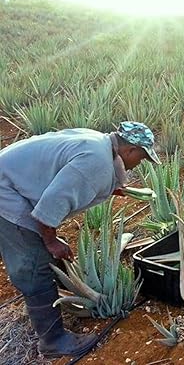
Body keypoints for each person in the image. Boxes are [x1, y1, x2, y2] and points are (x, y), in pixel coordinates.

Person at [0, 121, 160, 358]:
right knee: (33, 264)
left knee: (40, 246)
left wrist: (110, 188)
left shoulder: (98, 142)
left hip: (11, 180)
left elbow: (67, 175)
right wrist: (52, 242)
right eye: (142, 158)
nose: (139, 164)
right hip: (5, 194)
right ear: (130, 150)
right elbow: (49, 207)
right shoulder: (96, 161)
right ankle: (53, 341)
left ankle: (58, 292)